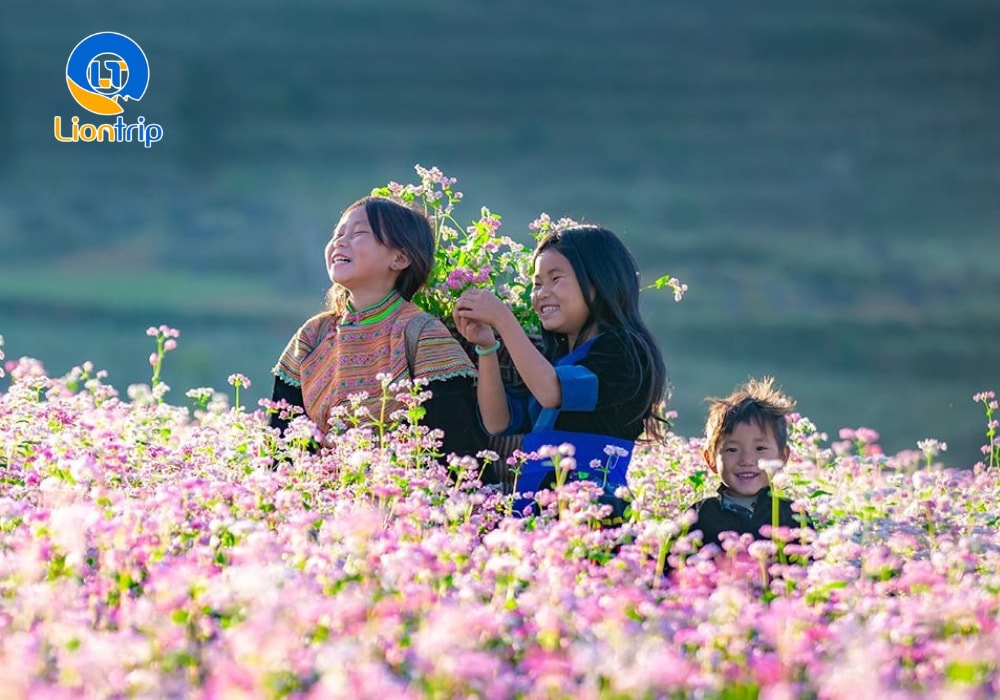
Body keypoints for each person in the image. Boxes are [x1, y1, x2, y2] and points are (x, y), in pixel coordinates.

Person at [452, 224, 670, 520]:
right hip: (533, 510)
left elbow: (553, 392)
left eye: (556, 279)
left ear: (598, 282)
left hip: (591, 511)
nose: (542, 293)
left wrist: (504, 319)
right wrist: (487, 348)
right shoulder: (554, 361)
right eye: (537, 283)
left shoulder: (624, 350)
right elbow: (498, 421)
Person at [269, 195, 491, 472]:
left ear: (400, 258)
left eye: (359, 233)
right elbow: (282, 446)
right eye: (338, 234)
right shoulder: (312, 336)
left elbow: (454, 451)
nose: (339, 242)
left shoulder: (423, 334)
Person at [688, 376, 809, 549]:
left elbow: (809, 570)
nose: (747, 460)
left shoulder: (793, 516)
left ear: (783, 457)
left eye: (760, 449)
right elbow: (671, 570)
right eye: (732, 450)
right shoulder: (699, 516)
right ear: (711, 459)